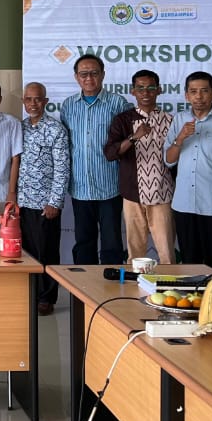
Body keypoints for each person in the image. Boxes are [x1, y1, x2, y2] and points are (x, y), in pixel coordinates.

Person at [163, 71, 212, 269]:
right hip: (184, 205)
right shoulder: (179, 120)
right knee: (190, 266)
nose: (199, 96)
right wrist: (180, 138)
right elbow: (168, 160)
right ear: (186, 95)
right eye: (193, 91)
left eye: (204, 91)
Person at [59, 55, 131, 265]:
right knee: (84, 243)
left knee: (112, 243)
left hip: (110, 185)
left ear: (103, 75)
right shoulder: (69, 105)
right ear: (76, 77)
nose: (89, 78)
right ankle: (85, 284)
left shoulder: (118, 103)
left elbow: (128, 142)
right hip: (81, 186)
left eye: (94, 73)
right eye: (84, 74)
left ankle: (112, 284)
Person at [103, 70, 176, 265]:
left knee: (167, 253)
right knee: (135, 254)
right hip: (132, 193)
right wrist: (134, 137)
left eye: (151, 88)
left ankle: (168, 284)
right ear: (133, 91)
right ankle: (133, 285)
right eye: (140, 88)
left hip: (163, 193)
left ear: (159, 90)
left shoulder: (170, 120)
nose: (145, 92)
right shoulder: (123, 120)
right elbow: (110, 153)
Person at [18, 82, 70, 315]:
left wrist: (54, 202)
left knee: (46, 252)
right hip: (22, 202)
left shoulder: (56, 129)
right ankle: (29, 294)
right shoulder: (20, 128)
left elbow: (62, 168)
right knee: (25, 252)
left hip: (44, 204)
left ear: (45, 102)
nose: (33, 104)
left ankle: (46, 298)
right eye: (29, 99)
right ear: (23, 102)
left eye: (38, 99)